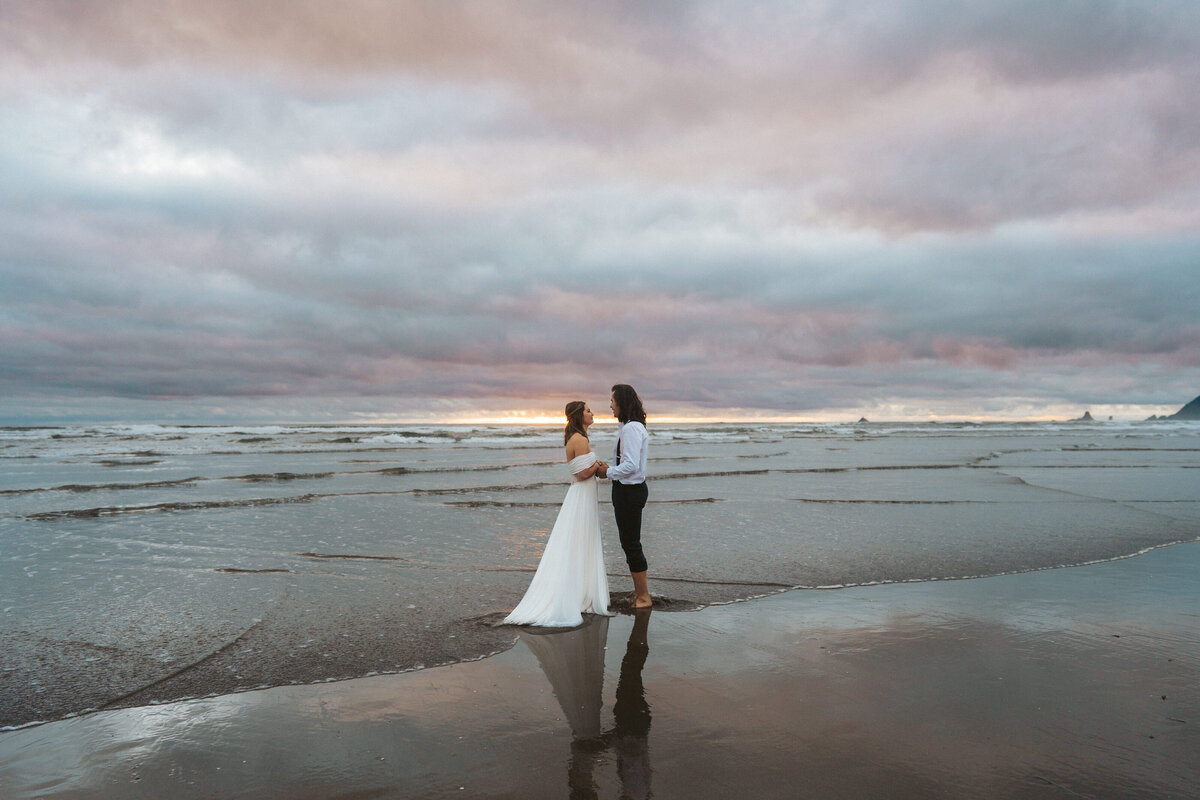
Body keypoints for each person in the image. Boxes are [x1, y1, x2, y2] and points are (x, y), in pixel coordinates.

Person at [504, 401, 610, 627]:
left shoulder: (577, 437)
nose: (592, 413)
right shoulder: (580, 439)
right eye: (588, 410)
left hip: (582, 495)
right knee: (579, 542)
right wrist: (597, 466)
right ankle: (574, 597)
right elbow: (582, 474)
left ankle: (579, 593)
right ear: (579, 415)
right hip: (581, 496)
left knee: (579, 542)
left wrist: (596, 466)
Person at [597, 384, 652, 609]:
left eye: (612, 400)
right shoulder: (630, 427)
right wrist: (610, 468)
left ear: (622, 402)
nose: (610, 405)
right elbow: (628, 462)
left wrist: (608, 472)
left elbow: (631, 465)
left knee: (631, 544)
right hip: (629, 490)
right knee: (630, 543)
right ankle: (640, 592)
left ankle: (643, 597)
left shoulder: (631, 429)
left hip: (629, 491)